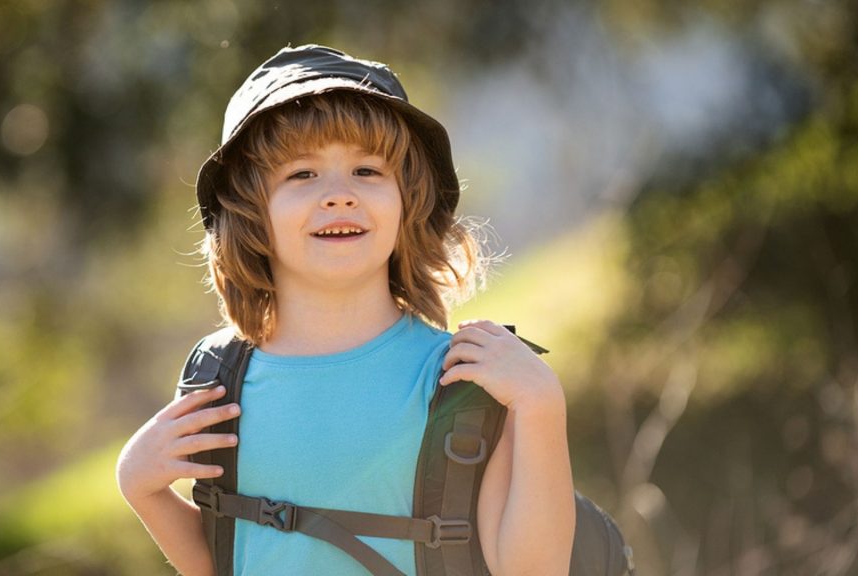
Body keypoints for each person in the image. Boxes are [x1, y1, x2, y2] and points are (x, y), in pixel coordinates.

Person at [116, 44, 575, 576]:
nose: (339, 195)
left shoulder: (464, 380)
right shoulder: (219, 381)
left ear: (409, 201)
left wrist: (542, 405)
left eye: (367, 171)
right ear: (250, 214)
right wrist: (140, 486)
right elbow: (226, 560)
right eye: (302, 175)